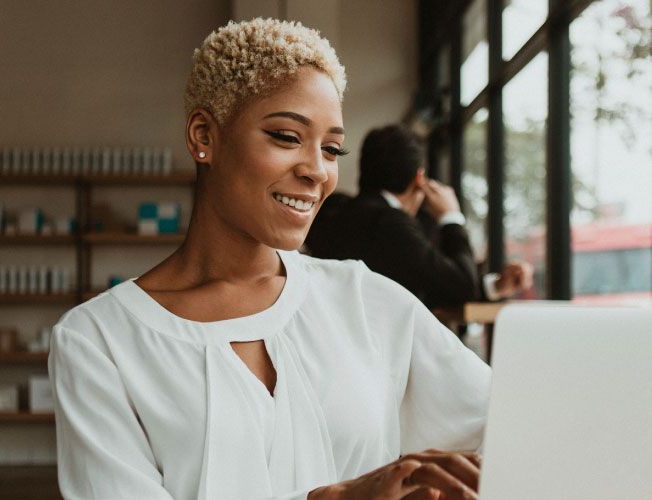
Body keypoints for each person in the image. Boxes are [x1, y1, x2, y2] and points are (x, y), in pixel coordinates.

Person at [49, 18, 490, 500]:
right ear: (204, 136)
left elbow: (520, 429)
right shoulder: (98, 340)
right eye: (286, 136)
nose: (316, 170)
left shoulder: (366, 300)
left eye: (332, 148)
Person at [306, 124, 533, 310]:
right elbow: (461, 285)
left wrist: (495, 286)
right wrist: (451, 217)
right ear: (419, 177)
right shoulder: (390, 223)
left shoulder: (332, 211)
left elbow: (431, 283)